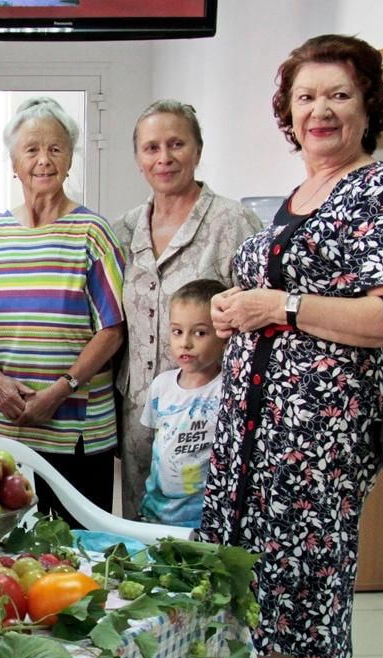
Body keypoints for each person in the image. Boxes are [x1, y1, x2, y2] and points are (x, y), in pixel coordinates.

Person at [195, 35, 383, 658]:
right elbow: (272, 300)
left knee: (289, 588)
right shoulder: (296, 196)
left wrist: (281, 307)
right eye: (305, 97)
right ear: (287, 113)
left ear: (368, 105)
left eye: (338, 94)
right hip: (255, 426)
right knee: (308, 583)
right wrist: (237, 309)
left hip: (317, 433)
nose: (320, 110)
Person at [0, 97, 126, 520]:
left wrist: (59, 390)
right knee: (9, 554)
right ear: (14, 161)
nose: (43, 160)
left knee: (79, 555)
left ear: (69, 160)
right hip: (6, 433)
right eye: (31, 149)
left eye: (56, 148)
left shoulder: (92, 231)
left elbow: (113, 329)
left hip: (77, 434)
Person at [113, 100, 260, 520]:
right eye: (151, 147)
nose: (164, 158)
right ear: (139, 158)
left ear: (197, 150)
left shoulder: (233, 223)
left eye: (176, 144)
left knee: (204, 528)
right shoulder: (124, 231)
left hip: (212, 409)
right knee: (141, 522)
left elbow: (259, 318)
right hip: (144, 408)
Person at [138, 279, 226, 528]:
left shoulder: (227, 390)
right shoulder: (161, 386)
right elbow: (158, 445)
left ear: (223, 335)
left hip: (204, 519)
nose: (185, 343)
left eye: (199, 333)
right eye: (177, 331)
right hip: (157, 512)